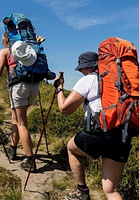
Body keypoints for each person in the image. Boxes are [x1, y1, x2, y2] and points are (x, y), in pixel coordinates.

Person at [54, 52, 133, 200]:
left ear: (87, 67)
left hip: (99, 134)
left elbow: (65, 109)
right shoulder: (120, 79)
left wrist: (59, 89)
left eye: (81, 69)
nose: (81, 72)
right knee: (111, 190)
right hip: (123, 134)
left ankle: (82, 191)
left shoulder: (89, 79)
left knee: (72, 149)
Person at [0, 32, 53, 172]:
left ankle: (30, 160)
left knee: (22, 123)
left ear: (6, 39)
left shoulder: (6, 51)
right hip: (34, 87)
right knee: (15, 119)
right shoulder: (29, 48)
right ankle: (12, 149)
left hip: (18, 87)